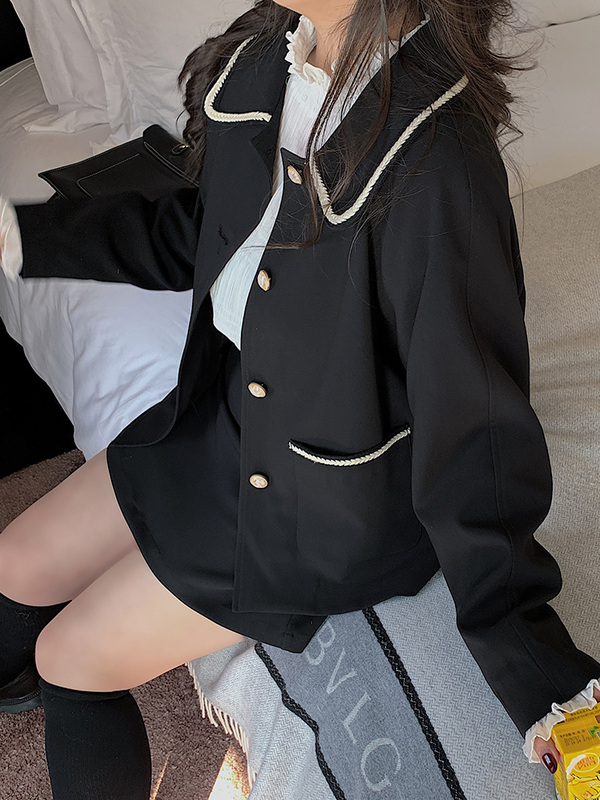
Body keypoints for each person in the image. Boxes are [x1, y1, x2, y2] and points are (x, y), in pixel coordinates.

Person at [0, 0, 598, 796]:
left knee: (69, 658)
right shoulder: (272, 58)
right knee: (13, 561)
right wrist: (21, 237)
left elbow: (475, 431)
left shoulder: (438, 163)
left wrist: (543, 682)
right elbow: (206, 233)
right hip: (220, 422)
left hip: (317, 510)